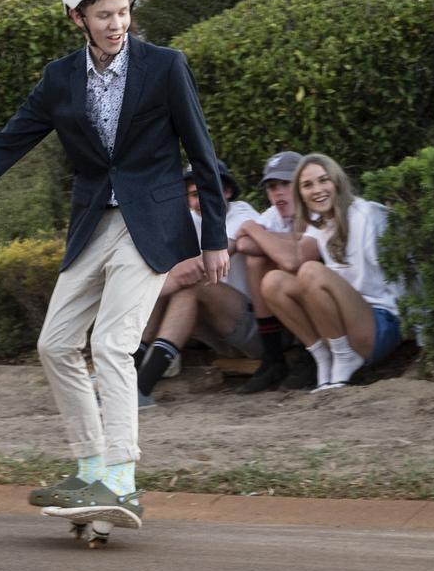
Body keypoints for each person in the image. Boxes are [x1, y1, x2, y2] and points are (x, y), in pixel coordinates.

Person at [0, 0, 228, 543]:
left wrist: (213, 235)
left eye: (123, 11)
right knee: (56, 342)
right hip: (94, 224)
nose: (117, 24)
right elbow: (4, 145)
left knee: (112, 343)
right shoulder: (60, 79)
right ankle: (90, 468)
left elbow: (202, 154)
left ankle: (121, 475)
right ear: (75, 17)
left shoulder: (165, 67)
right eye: (104, 14)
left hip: (153, 226)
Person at [260, 154, 403, 392]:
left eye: (323, 180)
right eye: (307, 185)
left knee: (311, 272)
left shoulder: (367, 215)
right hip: (345, 321)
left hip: (380, 323)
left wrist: (422, 332)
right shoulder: (321, 225)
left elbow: (402, 274)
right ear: (301, 195)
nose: (317, 190)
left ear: (337, 181)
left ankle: (344, 359)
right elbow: (289, 263)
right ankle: (323, 358)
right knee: (273, 282)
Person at [134, 161, 263, 407]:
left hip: (253, 330)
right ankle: (127, 377)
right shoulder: (191, 220)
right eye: (193, 194)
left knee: (190, 284)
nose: (200, 200)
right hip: (216, 333)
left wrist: (144, 293)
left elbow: (207, 264)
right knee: (167, 280)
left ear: (226, 191)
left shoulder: (241, 214)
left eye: (207, 190)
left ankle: (142, 386)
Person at [233, 151, 322, 392]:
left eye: (285, 183)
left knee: (289, 264)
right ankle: (273, 358)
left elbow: (291, 261)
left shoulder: (318, 208)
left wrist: (254, 229)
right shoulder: (274, 214)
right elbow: (243, 244)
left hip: (344, 308)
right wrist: (285, 239)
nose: (278, 192)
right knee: (256, 260)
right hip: (295, 303)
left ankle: (311, 356)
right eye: (272, 186)